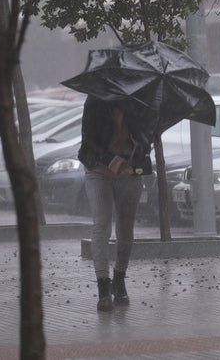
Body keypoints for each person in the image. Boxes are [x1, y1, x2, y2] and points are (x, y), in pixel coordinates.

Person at [78, 95, 153, 312]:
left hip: (129, 172)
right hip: (98, 170)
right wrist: (110, 160)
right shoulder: (95, 100)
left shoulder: (140, 101)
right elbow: (88, 142)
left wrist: (135, 162)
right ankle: (103, 288)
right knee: (101, 225)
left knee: (126, 227)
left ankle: (119, 280)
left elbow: (146, 140)